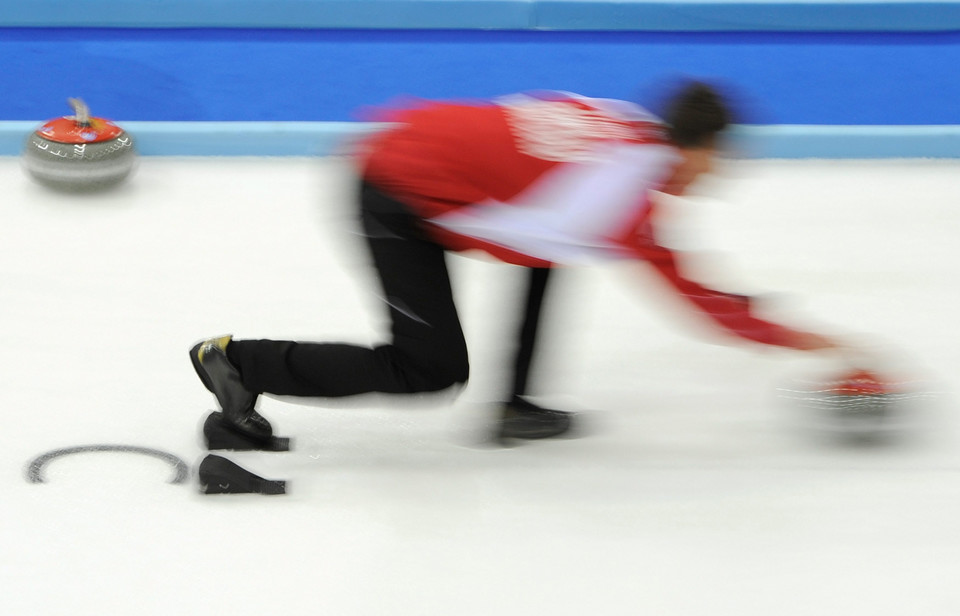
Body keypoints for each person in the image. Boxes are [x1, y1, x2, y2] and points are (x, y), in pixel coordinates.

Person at [190, 81, 842, 449]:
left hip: (420, 154)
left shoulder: (625, 124)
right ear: (693, 147)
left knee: (554, 252)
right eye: (717, 158)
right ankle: (238, 360)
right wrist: (805, 339)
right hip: (392, 190)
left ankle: (515, 407)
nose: (718, 174)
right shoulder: (615, 202)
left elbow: (535, 136)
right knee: (430, 370)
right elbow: (699, 301)